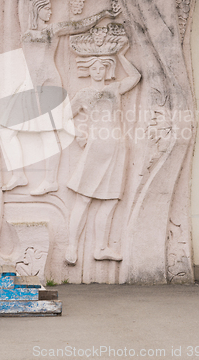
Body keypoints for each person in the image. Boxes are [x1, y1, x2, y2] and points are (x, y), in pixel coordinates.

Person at [0, 0, 119, 194]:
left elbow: (78, 25)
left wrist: (103, 14)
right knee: (5, 131)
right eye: (47, 9)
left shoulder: (52, 30)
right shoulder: (27, 34)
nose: (51, 12)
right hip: (29, 85)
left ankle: (50, 180)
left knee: (48, 133)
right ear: (37, 10)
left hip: (48, 84)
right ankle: (19, 175)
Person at [65, 45, 141, 264]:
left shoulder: (115, 88)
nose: (98, 71)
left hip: (117, 147)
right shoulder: (84, 94)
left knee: (110, 200)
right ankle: (71, 246)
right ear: (89, 71)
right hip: (96, 146)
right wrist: (79, 133)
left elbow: (136, 76)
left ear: (106, 70)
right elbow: (62, 118)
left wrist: (120, 55)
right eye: (94, 68)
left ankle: (100, 248)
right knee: (84, 198)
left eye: (101, 68)